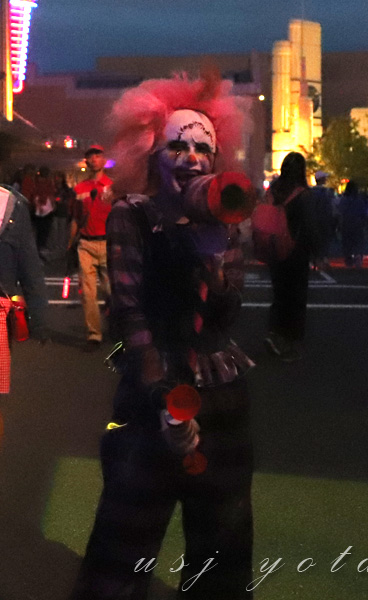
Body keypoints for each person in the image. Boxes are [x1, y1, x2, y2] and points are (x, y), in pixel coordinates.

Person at [70, 72, 254, 600]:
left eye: (203, 148)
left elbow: (227, 313)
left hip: (220, 394)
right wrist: (163, 399)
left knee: (221, 544)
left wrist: (214, 258)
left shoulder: (225, 221)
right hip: (153, 393)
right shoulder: (132, 215)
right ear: (151, 153)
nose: (191, 158)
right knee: (124, 542)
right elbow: (129, 312)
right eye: (178, 146)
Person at [263, 152, 320, 362]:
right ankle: (287, 342)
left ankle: (274, 333)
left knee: (279, 294)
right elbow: (309, 226)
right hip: (296, 252)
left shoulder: (274, 190)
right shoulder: (302, 194)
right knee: (295, 298)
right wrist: (317, 252)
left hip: (274, 249)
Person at [0, 183, 49, 394]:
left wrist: (38, 319)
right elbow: (29, 265)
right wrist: (39, 320)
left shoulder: (11, 203)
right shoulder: (11, 203)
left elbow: (29, 264)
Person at [69, 145, 113, 351]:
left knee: (112, 291)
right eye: (90, 156)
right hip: (86, 244)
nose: (94, 159)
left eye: (98, 155)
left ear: (103, 160)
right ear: (86, 161)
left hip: (108, 244)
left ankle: (119, 326)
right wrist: (70, 243)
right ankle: (94, 334)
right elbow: (75, 219)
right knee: (88, 294)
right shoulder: (80, 189)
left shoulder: (112, 187)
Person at [339, 180, 367, 268]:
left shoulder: (343, 199)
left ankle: (349, 260)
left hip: (346, 222)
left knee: (347, 242)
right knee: (358, 241)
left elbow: (341, 211)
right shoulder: (359, 199)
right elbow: (363, 212)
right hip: (357, 222)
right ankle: (358, 256)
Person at [311, 170, 334, 267]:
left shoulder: (311, 192)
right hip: (324, 219)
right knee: (324, 240)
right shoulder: (326, 192)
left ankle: (314, 259)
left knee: (314, 240)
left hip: (313, 219)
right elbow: (329, 207)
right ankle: (323, 258)